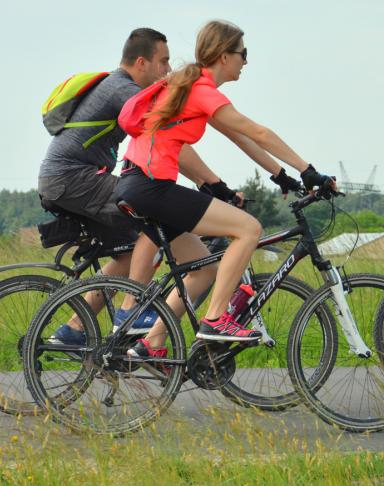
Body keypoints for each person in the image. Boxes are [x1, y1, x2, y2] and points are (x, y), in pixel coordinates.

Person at [115, 19, 335, 359]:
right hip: (150, 187)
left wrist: (281, 175)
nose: (245, 61)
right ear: (223, 56)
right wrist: (308, 171)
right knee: (248, 229)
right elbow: (258, 132)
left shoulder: (193, 88)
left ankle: (152, 345)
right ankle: (216, 320)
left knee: (203, 269)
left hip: (135, 185)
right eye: (243, 53)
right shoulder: (201, 91)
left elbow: (242, 138)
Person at [39, 28, 236, 344]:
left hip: (66, 180)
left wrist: (206, 182)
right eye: (163, 61)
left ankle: (74, 330)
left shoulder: (116, 87)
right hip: (73, 179)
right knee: (151, 215)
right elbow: (168, 140)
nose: (168, 70)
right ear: (141, 62)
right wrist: (212, 182)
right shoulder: (124, 90)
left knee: (130, 253)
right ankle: (131, 312)